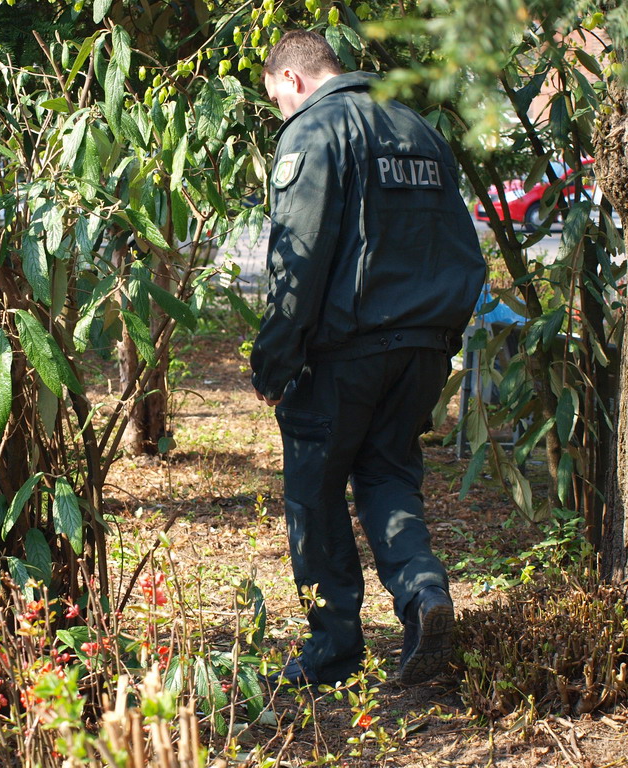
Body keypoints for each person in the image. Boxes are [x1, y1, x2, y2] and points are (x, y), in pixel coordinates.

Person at [250, 30, 486, 687]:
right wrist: (441, 337)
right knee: (386, 475)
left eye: (277, 100)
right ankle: (425, 599)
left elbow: (297, 263)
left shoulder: (314, 130)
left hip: (343, 355)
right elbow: (462, 245)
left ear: (292, 80)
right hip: (423, 348)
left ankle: (333, 651)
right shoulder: (418, 131)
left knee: (315, 495)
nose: (281, 113)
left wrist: (272, 363)